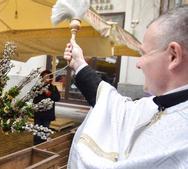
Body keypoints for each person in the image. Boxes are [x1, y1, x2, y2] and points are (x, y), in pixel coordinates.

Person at [64, 6, 188, 169]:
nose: (138, 63)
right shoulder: (161, 104)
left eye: (143, 54)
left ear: (173, 56)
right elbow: (116, 108)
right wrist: (79, 63)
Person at [33, 70, 60, 145]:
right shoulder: (37, 87)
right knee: (37, 130)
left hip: (47, 115)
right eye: (44, 77)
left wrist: (48, 93)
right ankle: (36, 145)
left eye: (47, 77)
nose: (45, 78)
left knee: (45, 130)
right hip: (38, 113)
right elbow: (34, 100)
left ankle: (43, 145)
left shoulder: (53, 88)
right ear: (41, 78)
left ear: (50, 78)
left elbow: (57, 98)